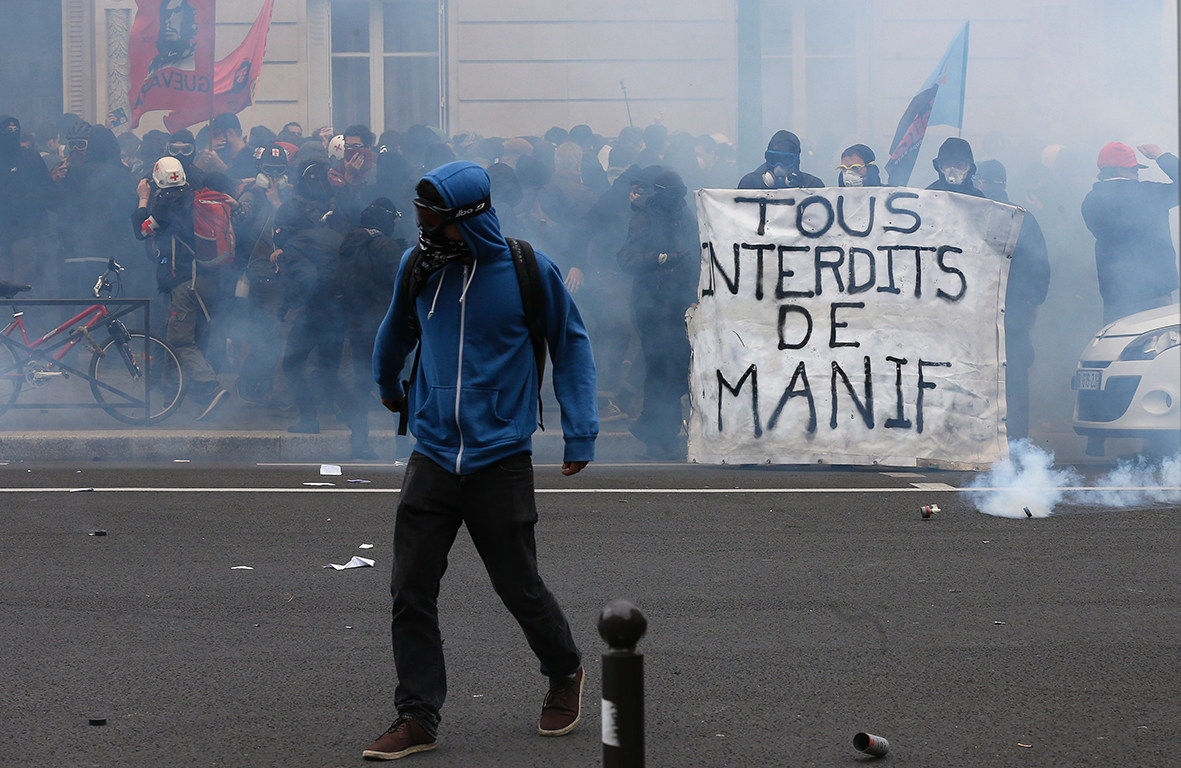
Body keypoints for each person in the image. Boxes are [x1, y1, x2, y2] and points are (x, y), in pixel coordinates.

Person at [364, 161, 597, 760]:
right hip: (434, 452)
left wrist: (581, 430)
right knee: (409, 589)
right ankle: (416, 716)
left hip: (500, 456)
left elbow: (570, 342)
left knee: (518, 586)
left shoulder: (525, 269)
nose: (422, 228)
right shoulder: (419, 267)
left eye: (432, 217)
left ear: (465, 218)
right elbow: (396, 327)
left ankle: (564, 668)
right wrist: (389, 381)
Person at [132, 157, 229, 420]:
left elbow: (142, 231)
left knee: (180, 340)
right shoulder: (192, 196)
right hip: (205, 280)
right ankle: (170, 395)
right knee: (176, 336)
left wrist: (143, 200)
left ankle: (210, 389)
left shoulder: (168, 204)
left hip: (185, 284)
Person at [617, 168, 698, 459]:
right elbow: (626, 259)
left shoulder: (684, 216)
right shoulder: (644, 218)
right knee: (659, 369)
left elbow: (698, 255)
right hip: (650, 306)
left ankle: (658, 430)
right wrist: (664, 259)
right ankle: (658, 438)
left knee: (675, 367)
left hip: (679, 304)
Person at [977, 160, 1051, 442]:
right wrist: (1033, 302)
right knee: (1015, 374)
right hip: (1015, 308)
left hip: (981, 306)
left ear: (979, 182)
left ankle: (984, 438)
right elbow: (1040, 264)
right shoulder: (1023, 216)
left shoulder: (975, 213)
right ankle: (1015, 438)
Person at [275, 159, 347, 434]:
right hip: (338, 311)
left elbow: (304, 280)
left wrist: (286, 307)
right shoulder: (330, 235)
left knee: (292, 364)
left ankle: (308, 420)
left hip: (314, 313)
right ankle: (357, 425)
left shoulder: (295, 244)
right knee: (329, 372)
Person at [1080, 142, 1179, 324]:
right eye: (1135, 170)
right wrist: (1160, 156)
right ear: (1122, 170)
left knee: (1120, 348)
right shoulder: (1150, 193)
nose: (1137, 175)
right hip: (1156, 290)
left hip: (1116, 293)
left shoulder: (1090, 201)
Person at [336, 198, 402, 459]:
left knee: (361, 384)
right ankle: (403, 445)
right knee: (396, 384)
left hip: (357, 325)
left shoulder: (349, 243)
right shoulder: (388, 246)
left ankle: (359, 443)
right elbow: (401, 283)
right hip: (386, 326)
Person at [233, 143, 294, 405]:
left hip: (285, 275)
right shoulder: (252, 194)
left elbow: (295, 226)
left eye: (279, 171)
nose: (273, 176)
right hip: (260, 274)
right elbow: (242, 217)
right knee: (265, 333)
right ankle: (253, 384)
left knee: (272, 334)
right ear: (259, 170)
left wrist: (279, 203)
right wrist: (241, 208)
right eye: (268, 170)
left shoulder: (291, 195)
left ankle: (260, 385)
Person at [0, 116, 55, 287]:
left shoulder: (30, 156)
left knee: (21, 282)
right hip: (2, 232)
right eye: (8, 130)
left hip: (25, 231)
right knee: (3, 281)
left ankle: (23, 313)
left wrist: (32, 202)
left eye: (16, 129)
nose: (13, 133)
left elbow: (46, 188)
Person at [738, 130, 824, 189]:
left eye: (786, 160)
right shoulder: (750, 184)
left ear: (796, 161)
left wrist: (802, 189)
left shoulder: (812, 186)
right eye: (774, 159)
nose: (779, 166)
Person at [198, 112, 254, 181]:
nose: (213, 140)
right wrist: (205, 155)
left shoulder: (251, 156)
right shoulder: (222, 155)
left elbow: (238, 180)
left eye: (216, 135)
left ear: (231, 133)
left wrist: (218, 163)